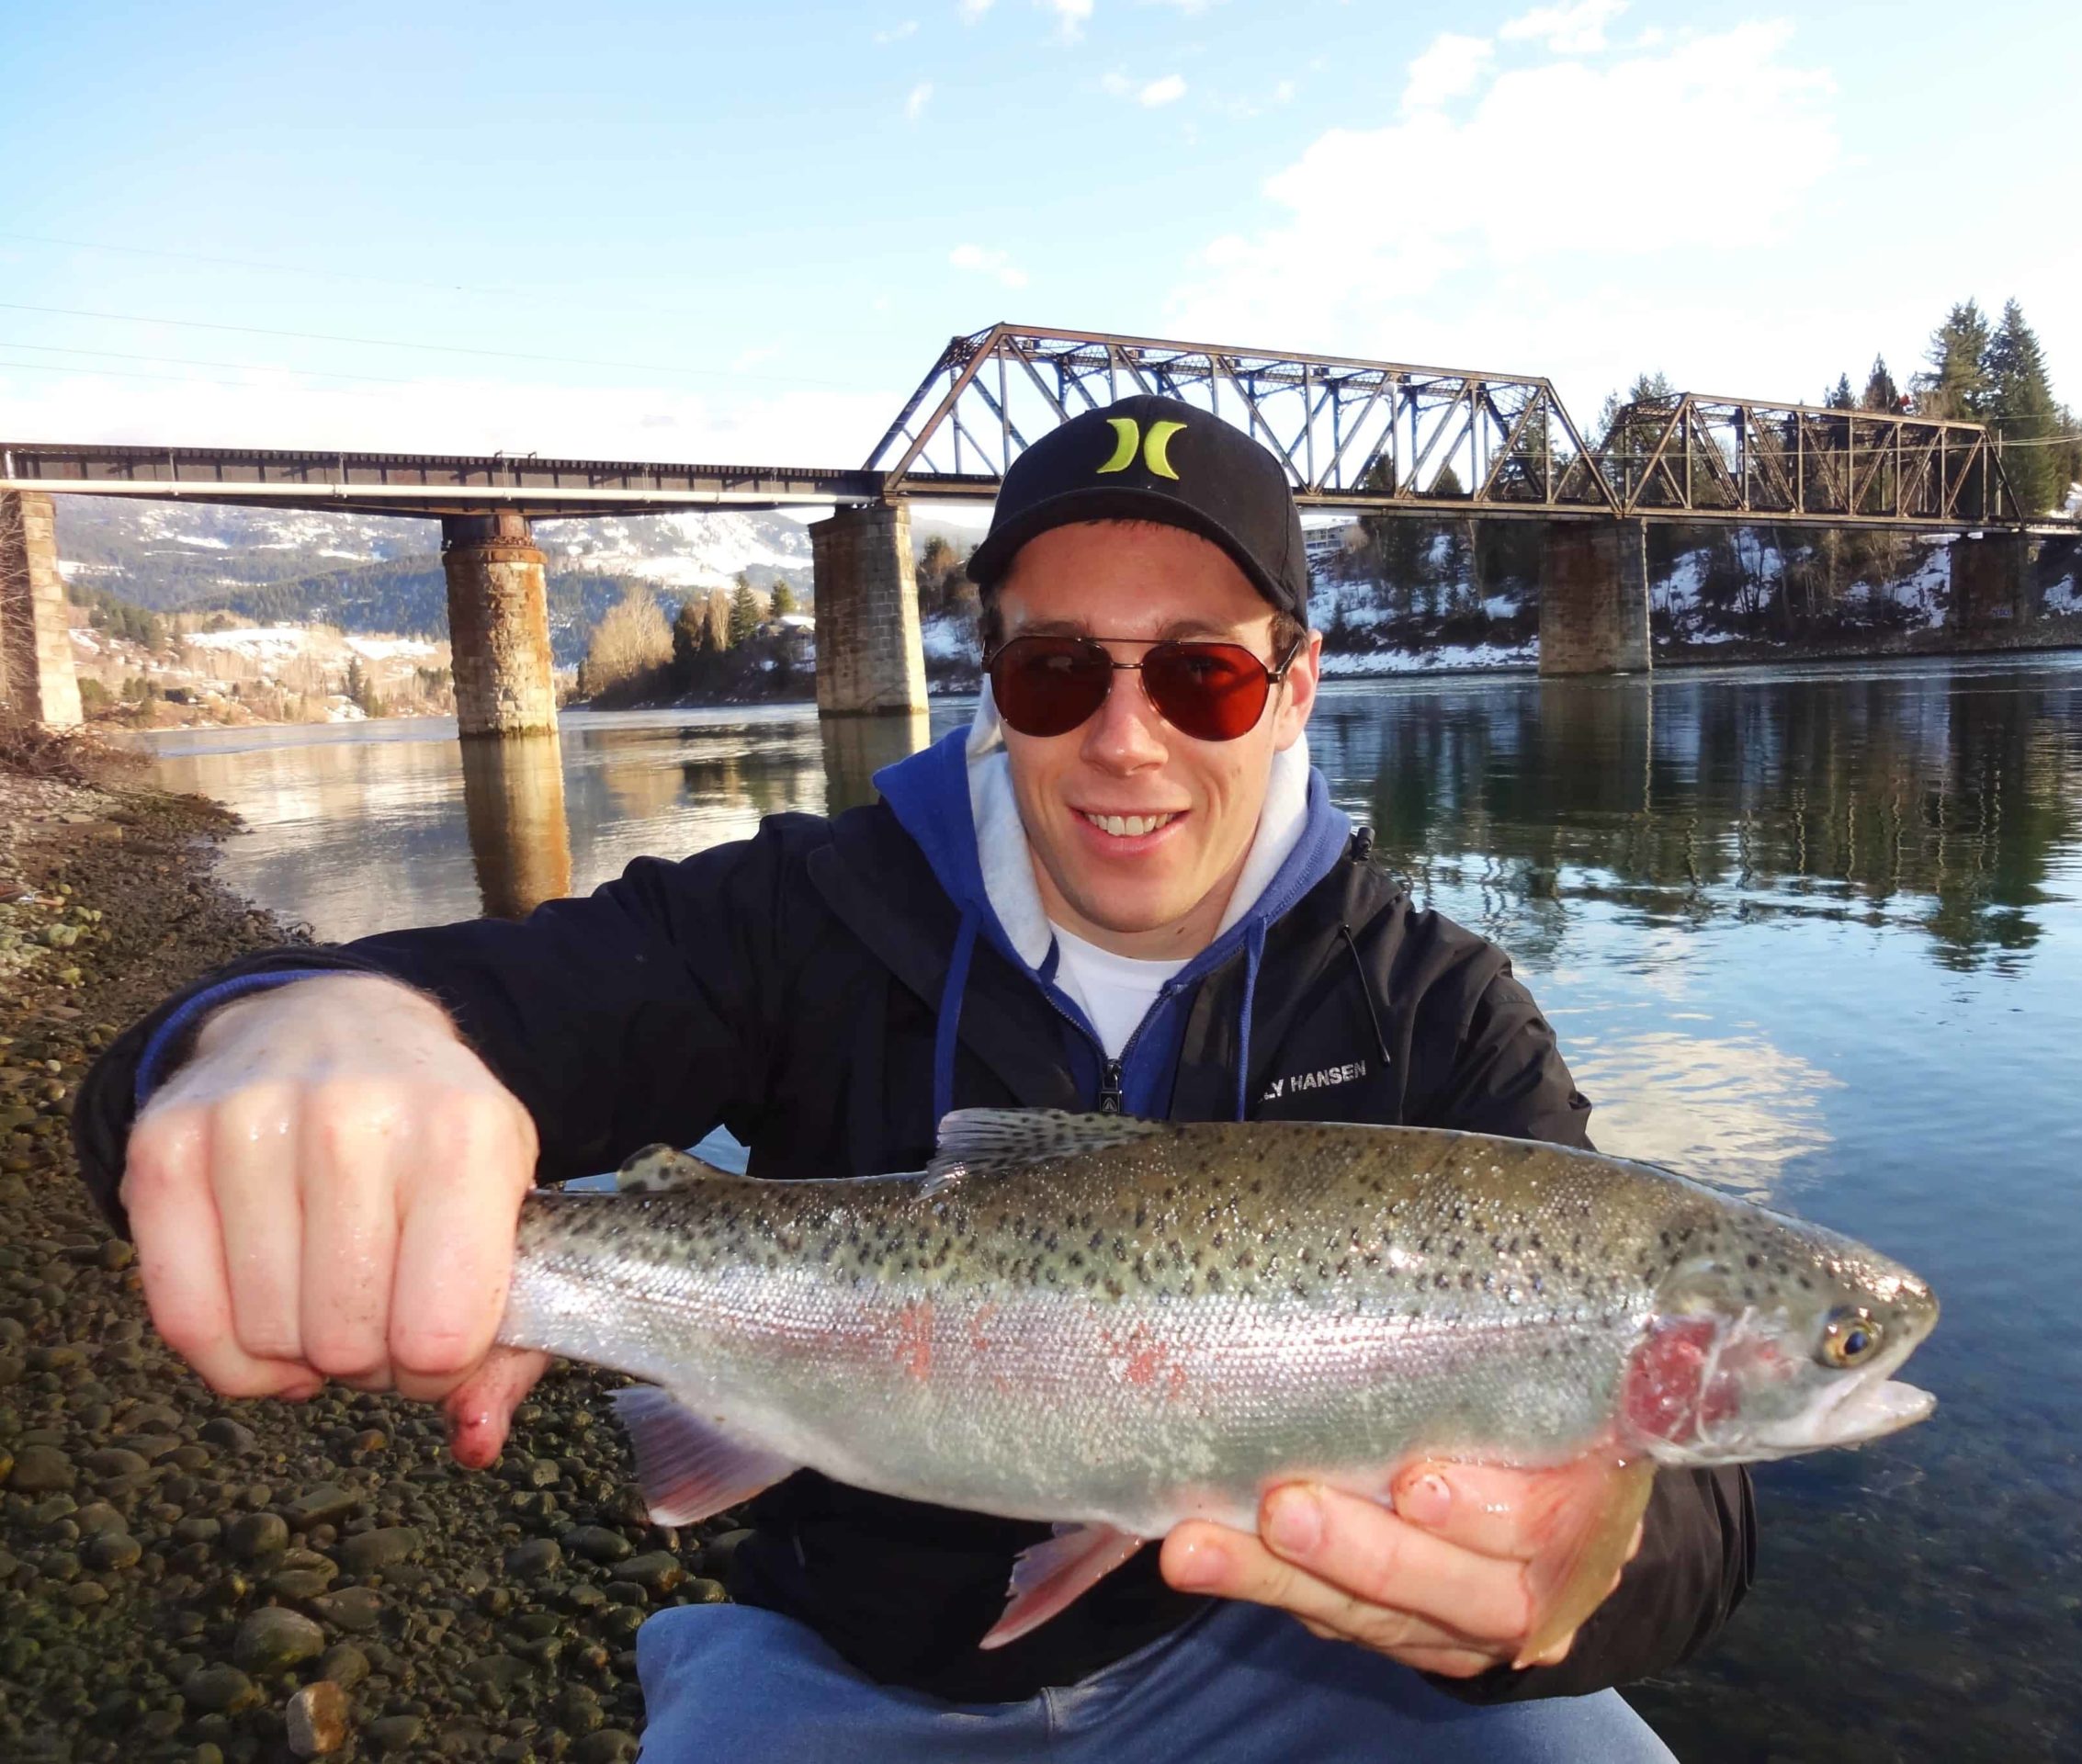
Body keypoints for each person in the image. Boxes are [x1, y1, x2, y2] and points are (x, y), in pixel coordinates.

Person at [74, 396, 1753, 1761]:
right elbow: (256, 1057)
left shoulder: (1431, 1007)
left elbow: (1700, 1515)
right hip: (838, 1676)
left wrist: (1568, 1579)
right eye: (1053, 670)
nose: (1127, 737)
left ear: (1295, 684)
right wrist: (281, 1034)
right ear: (991, 686)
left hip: (1285, 1657)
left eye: (1201, 672)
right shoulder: (809, 913)